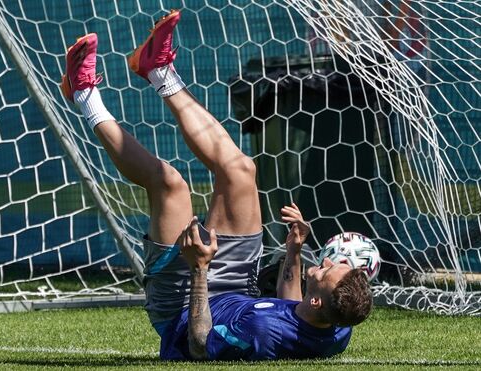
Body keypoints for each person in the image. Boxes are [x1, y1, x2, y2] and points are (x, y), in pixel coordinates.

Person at [60, 9, 373, 361]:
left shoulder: (263, 333)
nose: (330, 262)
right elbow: (291, 307)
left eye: (330, 271)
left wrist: (200, 268)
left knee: (169, 184)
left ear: (318, 298)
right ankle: (157, 69)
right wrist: (295, 250)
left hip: (184, 303)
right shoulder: (336, 327)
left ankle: (83, 94)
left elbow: (199, 343)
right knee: (241, 169)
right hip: (239, 283)